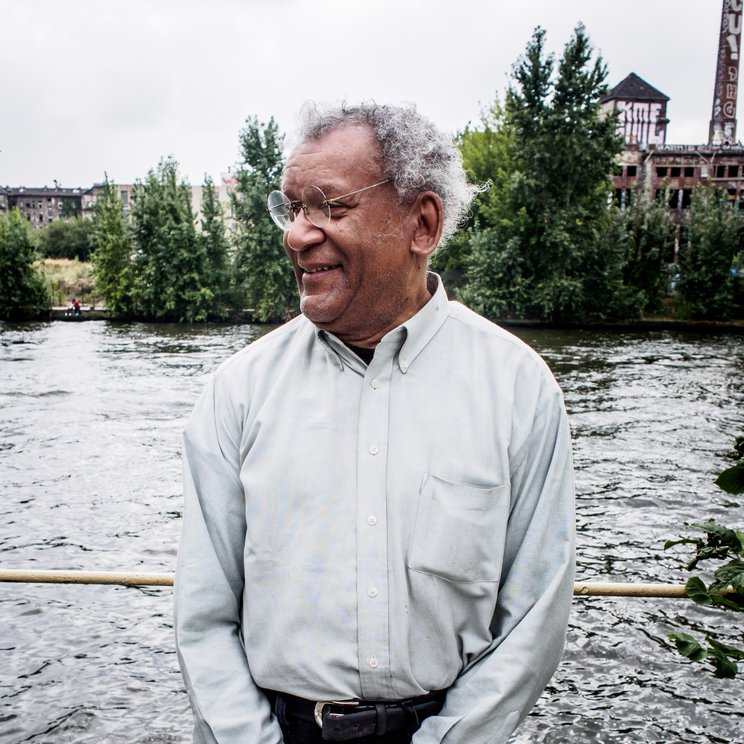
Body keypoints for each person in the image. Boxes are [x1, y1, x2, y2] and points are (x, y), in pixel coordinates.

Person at [175, 102, 575, 744]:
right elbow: (203, 616)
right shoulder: (237, 392)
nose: (297, 235)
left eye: (329, 207)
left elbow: (533, 617)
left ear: (422, 223)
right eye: (292, 208)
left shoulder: (519, 390)